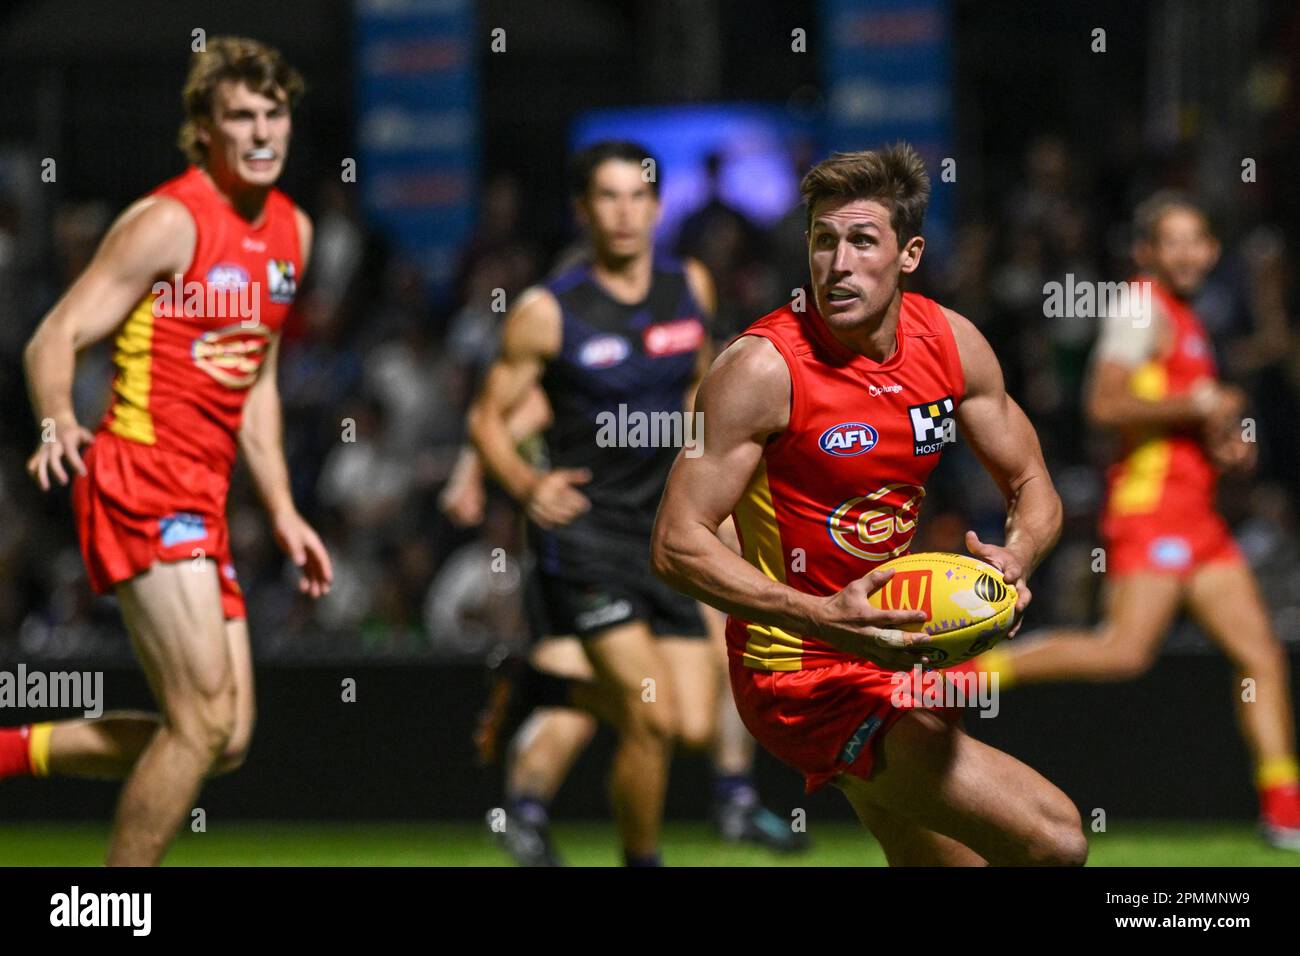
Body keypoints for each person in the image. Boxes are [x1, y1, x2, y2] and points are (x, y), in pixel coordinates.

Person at [651, 143, 1088, 865]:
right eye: (822, 241)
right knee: (1057, 840)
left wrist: (1019, 554)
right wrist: (822, 614)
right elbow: (675, 543)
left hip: (892, 657)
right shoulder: (759, 370)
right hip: (799, 672)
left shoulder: (952, 345)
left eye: (861, 240)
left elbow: (1033, 485)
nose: (838, 262)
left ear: (909, 253)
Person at [0, 37, 332, 866]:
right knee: (204, 719)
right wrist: (53, 420)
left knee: (223, 739)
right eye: (240, 116)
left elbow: (257, 385)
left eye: (274, 113)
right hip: (140, 478)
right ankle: (114, 906)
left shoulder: (295, 231)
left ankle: (7, 754)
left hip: (205, 495)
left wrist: (285, 511)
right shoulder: (168, 222)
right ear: (205, 131)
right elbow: (56, 334)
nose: (262, 131)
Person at [468, 140, 801, 866]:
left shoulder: (691, 287)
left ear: (657, 206)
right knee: (650, 717)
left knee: (686, 721)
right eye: (608, 198)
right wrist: (527, 486)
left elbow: (700, 385)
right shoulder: (546, 312)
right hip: (587, 540)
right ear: (583, 211)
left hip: (667, 530)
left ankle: (547, 685)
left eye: (638, 196)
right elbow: (487, 417)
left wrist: (723, 476)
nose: (625, 213)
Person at [970, 191, 1300, 849]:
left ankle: (1284, 810)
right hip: (1152, 514)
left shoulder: (1187, 317)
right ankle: (966, 678)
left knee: (1260, 655)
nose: (1186, 252)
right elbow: (1103, 404)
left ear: (1210, 250)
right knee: (1121, 652)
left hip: (1198, 518)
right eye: (1170, 241)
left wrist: (1223, 441)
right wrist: (1199, 402)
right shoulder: (1138, 306)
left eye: (1197, 240)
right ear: (1147, 252)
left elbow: (1181, 414)